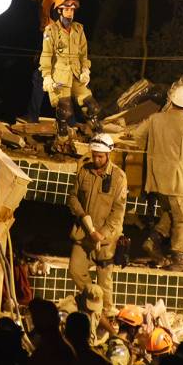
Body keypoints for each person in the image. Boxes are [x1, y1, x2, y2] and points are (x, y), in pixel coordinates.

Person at [131, 84, 183, 271]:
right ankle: (177, 255)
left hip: (156, 179)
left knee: (171, 212)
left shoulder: (155, 119)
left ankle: (152, 240)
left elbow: (137, 136)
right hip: (178, 181)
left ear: (171, 100)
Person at [66, 133, 128, 321]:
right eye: (94, 155)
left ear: (108, 155)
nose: (96, 159)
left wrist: (102, 234)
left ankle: (105, 317)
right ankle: (93, 300)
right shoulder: (84, 171)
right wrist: (83, 216)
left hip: (105, 240)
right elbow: (73, 197)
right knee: (75, 270)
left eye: (100, 156)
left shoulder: (118, 177)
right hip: (83, 234)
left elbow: (118, 212)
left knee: (105, 283)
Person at [39, 0, 103, 152]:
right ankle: (61, 138)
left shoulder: (78, 29)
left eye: (72, 10)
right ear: (59, 11)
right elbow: (46, 55)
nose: (70, 12)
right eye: (66, 9)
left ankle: (98, 135)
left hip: (76, 74)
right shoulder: (51, 30)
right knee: (65, 109)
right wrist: (46, 77)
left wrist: (86, 69)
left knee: (92, 106)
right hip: (60, 76)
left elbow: (83, 53)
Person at [21, 0, 57, 123]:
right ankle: (72, 121)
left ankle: (32, 117)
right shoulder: (45, 3)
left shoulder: (54, 1)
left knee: (39, 79)